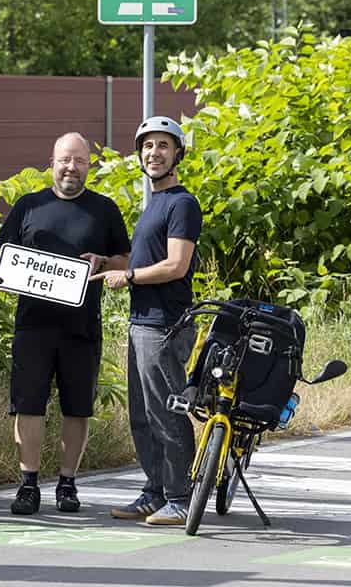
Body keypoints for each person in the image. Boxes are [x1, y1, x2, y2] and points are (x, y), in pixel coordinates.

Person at [0, 132, 131, 515]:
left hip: (82, 325)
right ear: (51, 163)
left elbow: (125, 260)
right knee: (28, 405)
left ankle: (68, 484)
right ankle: (29, 485)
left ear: (89, 165)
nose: (72, 167)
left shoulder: (105, 209)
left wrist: (102, 262)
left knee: (77, 407)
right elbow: (4, 259)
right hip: (33, 324)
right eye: (65, 160)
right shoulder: (28, 206)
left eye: (80, 161)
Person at [91, 115, 202, 526]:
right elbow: (139, 258)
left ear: (177, 154)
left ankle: (180, 498)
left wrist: (131, 275)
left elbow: (176, 265)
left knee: (166, 412)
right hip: (143, 321)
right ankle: (154, 491)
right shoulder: (154, 203)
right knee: (141, 414)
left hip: (165, 323)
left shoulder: (182, 203)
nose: (153, 153)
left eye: (162, 146)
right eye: (147, 146)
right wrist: (106, 262)